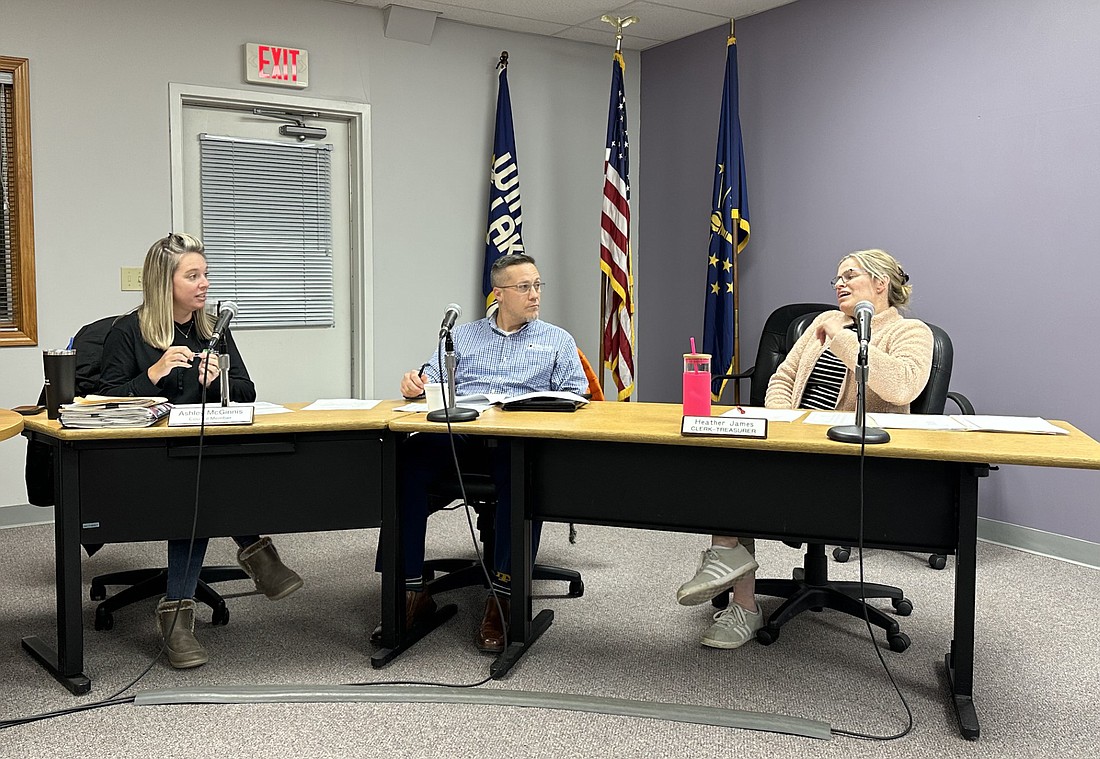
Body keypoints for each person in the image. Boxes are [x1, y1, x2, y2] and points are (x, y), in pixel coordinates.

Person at [676, 248, 933, 649]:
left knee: (742, 480)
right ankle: (737, 586)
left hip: (852, 462)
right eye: (836, 278)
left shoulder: (910, 333)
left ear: (881, 284)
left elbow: (900, 386)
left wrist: (845, 339)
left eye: (849, 275)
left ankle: (729, 566)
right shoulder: (824, 321)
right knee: (729, 456)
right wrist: (783, 422)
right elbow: (782, 378)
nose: (839, 284)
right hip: (796, 442)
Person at [98, 232, 303, 669]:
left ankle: (177, 620)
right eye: (193, 275)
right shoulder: (127, 334)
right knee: (197, 484)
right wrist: (152, 373)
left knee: (204, 480)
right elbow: (105, 403)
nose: (204, 283)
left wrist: (220, 381)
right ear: (163, 282)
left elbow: (247, 391)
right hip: (145, 460)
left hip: (202, 456)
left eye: (205, 274)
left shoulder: (213, 330)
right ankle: (257, 555)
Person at [382, 253, 588, 653]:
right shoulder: (461, 336)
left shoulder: (557, 340)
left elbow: (577, 397)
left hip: (517, 441)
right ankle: (409, 591)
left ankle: (504, 597)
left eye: (537, 285)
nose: (534, 295)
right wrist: (413, 384)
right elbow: (430, 381)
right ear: (499, 293)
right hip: (463, 437)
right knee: (406, 461)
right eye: (523, 287)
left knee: (519, 470)